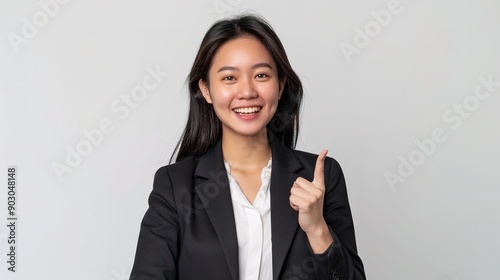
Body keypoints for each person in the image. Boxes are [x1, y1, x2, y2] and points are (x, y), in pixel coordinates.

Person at [130, 13, 365, 280]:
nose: (247, 92)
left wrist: (318, 230)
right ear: (206, 90)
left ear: (280, 85)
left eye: (261, 75)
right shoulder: (175, 186)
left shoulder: (320, 178)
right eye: (229, 78)